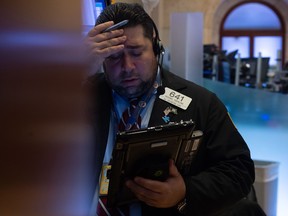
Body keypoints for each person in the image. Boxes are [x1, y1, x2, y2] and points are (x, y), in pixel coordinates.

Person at [85, 2, 266, 216]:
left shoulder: (200, 103)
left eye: (136, 52)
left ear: (156, 48)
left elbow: (239, 171)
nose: (127, 67)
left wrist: (185, 192)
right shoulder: (76, 97)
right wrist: (70, 72)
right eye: (113, 56)